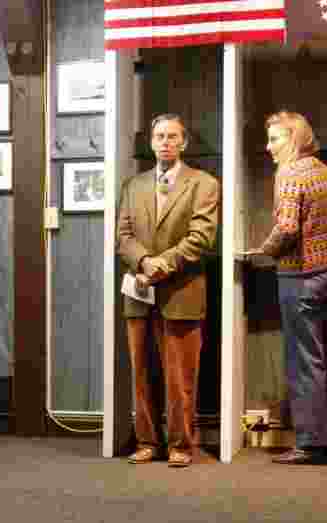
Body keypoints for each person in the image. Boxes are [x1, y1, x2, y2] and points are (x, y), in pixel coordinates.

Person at [116, 113, 219, 467]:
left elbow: (201, 239)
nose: (165, 142)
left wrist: (161, 266)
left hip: (182, 290)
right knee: (141, 374)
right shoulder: (133, 185)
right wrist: (145, 263)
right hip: (139, 292)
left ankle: (180, 445)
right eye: (160, 136)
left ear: (184, 142)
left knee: (180, 378)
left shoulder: (203, 184)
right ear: (152, 143)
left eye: (172, 136)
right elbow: (123, 236)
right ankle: (146, 441)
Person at [253, 111, 327, 466]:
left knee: (303, 361)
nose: (268, 147)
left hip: (301, 276)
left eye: (275, 139)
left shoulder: (290, 173)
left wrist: (262, 251)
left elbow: (288, 228)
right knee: (326, 357)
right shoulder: (326, 172)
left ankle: (312, 445)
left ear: (294, 139)